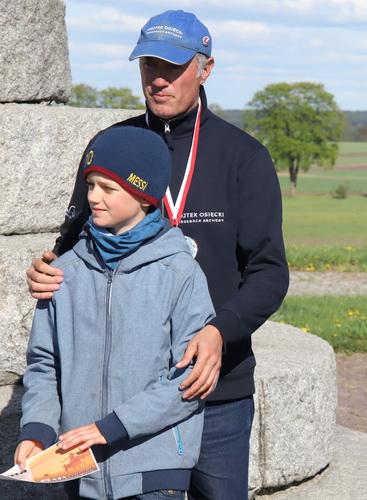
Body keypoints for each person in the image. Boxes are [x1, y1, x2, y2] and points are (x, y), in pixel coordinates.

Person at [25, 10, 289, 499]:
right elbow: (73, 247)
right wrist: (45, 270)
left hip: (215, 390)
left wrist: (220, 330)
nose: (159, 79)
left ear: (206, 69)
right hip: (122, 405)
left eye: (173, 67)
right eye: (149, 65)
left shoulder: (244, 156)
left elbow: (270, 274)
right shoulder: (110, 146)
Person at [16, 126, 214, 499]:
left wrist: (113, 427)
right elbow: (44, 364)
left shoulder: (179, 272)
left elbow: (189, 377)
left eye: (109, 188)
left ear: (144, 197)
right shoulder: (64, 272)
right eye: (91, 185)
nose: (93, 197)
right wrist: (38, 430)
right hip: (79, 471)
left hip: (155, 476)